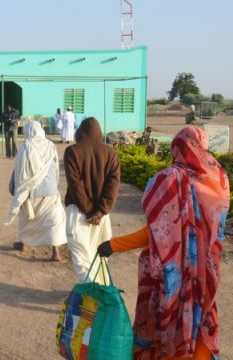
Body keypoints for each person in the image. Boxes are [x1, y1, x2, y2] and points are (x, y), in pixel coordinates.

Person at [97, 126, 230, 359]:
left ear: (177, 146)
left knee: (167, 324)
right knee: (200, 317)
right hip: (206, 274)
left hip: (171, 278)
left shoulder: (170, 179)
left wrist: (113, 245)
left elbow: (157, 234)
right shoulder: (219, 178)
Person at [63, 116, 120, 283]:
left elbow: (76, 185)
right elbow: (113, 184)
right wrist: (101, 211)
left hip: (80, 213)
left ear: (81, 131)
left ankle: (92, 292)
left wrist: (89, 210)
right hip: (101, 218)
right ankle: (98, 289)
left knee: (81, 258)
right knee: (99, 256)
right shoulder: (110, 153)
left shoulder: (72, 151)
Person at [6, 120, 66, 261]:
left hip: (30, 193)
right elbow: (56, 167)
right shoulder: (51, 146)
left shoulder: (25, 149)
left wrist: (14, 188)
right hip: (50, 191)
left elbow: (19, 172)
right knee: (54, 221)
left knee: (26, 219)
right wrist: (53, 184)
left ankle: (22, 244)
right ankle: (55, 252)